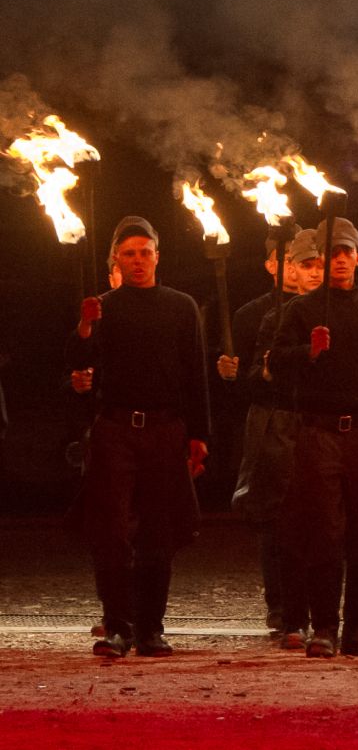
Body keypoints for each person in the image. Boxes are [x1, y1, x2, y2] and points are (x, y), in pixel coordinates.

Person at [66, 216, 211, 658]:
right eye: (128, 254)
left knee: (159, 532)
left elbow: (195, 374)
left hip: (166, 429)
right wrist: (86, 326)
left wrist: (200, 434)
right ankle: (117, 628)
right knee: (111, 531)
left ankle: (150, 629)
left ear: (157, 257)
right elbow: (78, 366)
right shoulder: (102, 307)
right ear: (116, 259)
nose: (137, 260)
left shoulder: (181, 306)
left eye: (144, 252)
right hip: (114, 430)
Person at [270, 217, 358, 658]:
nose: (339, 261)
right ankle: (325, 627)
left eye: (346, 253)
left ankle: (357, 630)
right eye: (331, 254)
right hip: (319, 430)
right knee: (324, 532)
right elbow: (275, 366)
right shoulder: (301, 310)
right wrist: (307, 351)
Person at [228, 227, 318, 645]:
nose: (311, 271)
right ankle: (281, 603)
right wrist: (254, 370)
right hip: (274, 422)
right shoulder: (256, 316)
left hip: (317, 424)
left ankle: (317, 605)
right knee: (274, 517)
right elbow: (248, 381)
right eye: (304, 263)